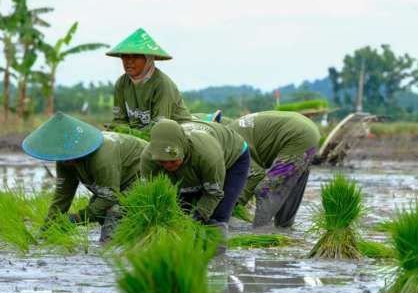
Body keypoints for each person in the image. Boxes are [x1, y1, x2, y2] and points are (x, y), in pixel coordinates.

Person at [22, 112, 147, 242]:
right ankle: (127, 239)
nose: (64, 161)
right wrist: (46, 230)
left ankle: (116, 248)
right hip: (120, 180)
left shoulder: (102, 157)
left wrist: (77, 219)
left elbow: (109, 197)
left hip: (144, 174)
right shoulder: (64, 160)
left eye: (66, 156)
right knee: (97, 208)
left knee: (114, 211)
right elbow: (62, 197)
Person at [140, 119, 251, 238]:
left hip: (233, 158)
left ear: (182, 149)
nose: (168, 166)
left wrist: (198, 216)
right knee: (181, 212)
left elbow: (213, 193)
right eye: (162, 162)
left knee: (217, 215)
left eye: (172, 161)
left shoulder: (207, 156)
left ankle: (217, 252)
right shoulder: (148, 158)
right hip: (196, 161)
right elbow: (150, 195)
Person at [228, 111, 321, 229]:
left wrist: (230, 206)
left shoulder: (231, 144)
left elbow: (255, 175)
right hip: (306, 131)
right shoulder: (228, 135)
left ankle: (260, 234)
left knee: (265, 189)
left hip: (298, 135)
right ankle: (284, 230)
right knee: (290, 186)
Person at [106, 28, 191, 130]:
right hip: (139, 134)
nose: (129, 61)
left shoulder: (161, 84)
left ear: (148, 59)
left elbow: (160, 125)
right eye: (125, 56)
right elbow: (119, 120)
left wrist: (132, 135)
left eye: (136, 56)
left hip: (175, 133)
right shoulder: (122, 83)